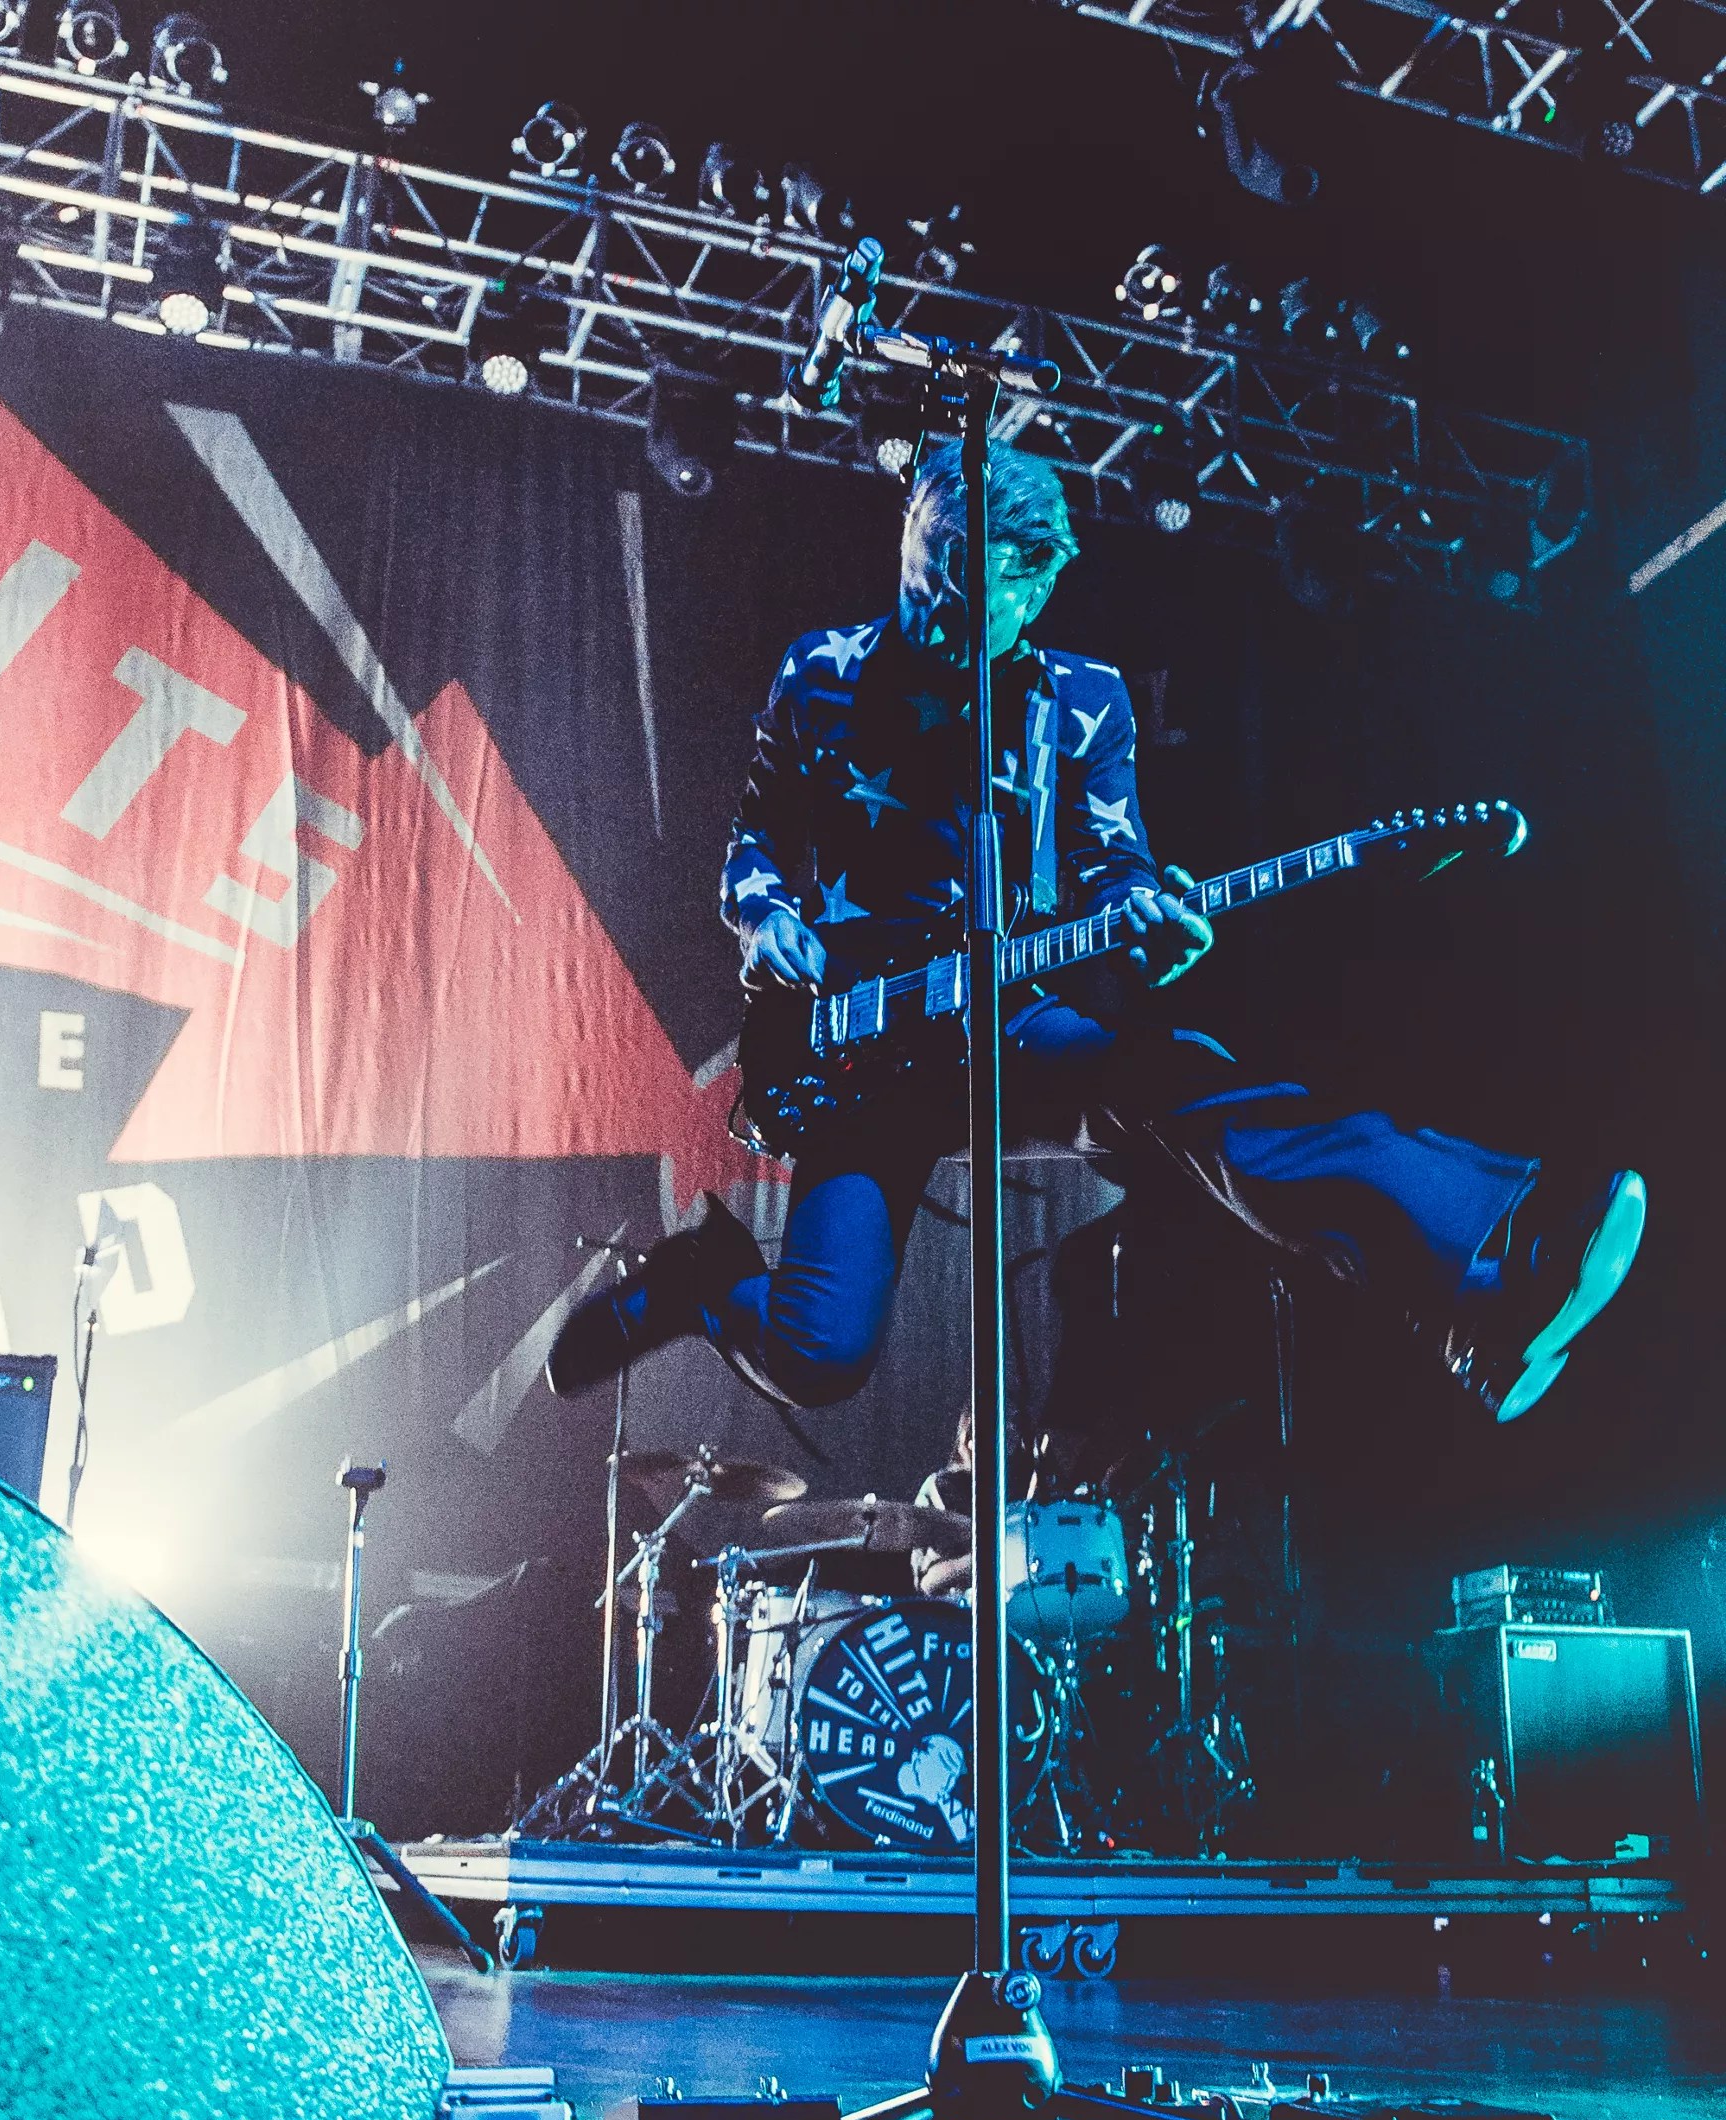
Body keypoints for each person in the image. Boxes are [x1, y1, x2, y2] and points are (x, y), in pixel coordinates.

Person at [548, 442, 1645, 1426]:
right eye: (941, 580)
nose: (956, 618)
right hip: (850, 1057)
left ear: (1037, 588)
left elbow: (1116, 865)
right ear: (914, 538)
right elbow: (753, 841)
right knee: (818, 1353)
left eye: (993, 597)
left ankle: (1487, 1265)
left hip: (1006, 1023)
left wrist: (1149, 922)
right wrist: (766, 913)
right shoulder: (821, 673)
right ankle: (699, 1282)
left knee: (1180, 1084)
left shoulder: (1080, 702)